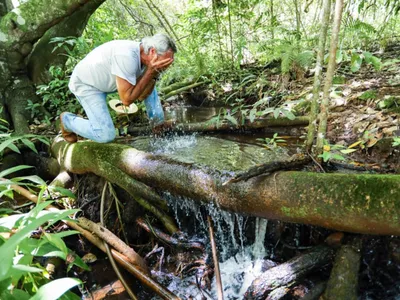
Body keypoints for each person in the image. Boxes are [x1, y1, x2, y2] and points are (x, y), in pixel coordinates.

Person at [60, 33, 176, 143]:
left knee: (148, 79)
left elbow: (142, 95)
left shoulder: (148, 60)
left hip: (108, 81)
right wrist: (150, 72)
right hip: (87, 84)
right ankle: (67, 121)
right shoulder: (126, 57)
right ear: (152, 51)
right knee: (105, 135)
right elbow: (126, 100)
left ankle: (158, 125)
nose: (167, 65)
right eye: (166, 61)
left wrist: (154, 73)